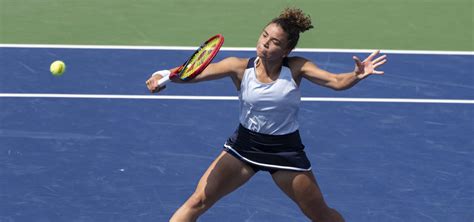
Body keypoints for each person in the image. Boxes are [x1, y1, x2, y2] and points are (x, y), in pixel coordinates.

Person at [146, 7, 386, 222]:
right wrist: (164, 75)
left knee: (321, 215)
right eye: (264, 36)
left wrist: (355, 75)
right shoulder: (239, 67)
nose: (265, 44)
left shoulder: (297, 68)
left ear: (286, 50)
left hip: (285, 152)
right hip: (243, 146)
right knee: (197, 201)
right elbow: (197, 72)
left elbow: (335, 81)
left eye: (274, 42)